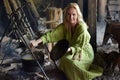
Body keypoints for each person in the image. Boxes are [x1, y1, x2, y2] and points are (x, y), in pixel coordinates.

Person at [30, 3, 103, 80]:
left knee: (71, 62)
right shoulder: (65, 26)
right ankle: (68, 76)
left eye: (74, 14)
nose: (71, 17)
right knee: (65, 59)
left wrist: (69, 49)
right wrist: (36, 42)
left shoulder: (82, 28)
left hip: (83, 51)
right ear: (66, 15)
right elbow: (51, 35)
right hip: (71, 49)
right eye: (68, 14)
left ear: (77, 15)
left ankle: (78, 77)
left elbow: (79, 46)